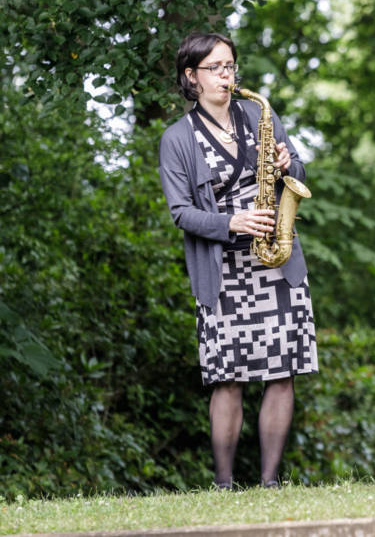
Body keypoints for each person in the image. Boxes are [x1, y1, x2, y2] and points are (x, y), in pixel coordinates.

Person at [159, 31, 318, 489]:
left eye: (230, 67)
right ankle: (225, 484)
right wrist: (232, 222)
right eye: (216, 68)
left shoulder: (258, 113)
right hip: (223, 270)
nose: (227, 76)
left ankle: (269, 482)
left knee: (282, 372)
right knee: (227, 379)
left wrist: (290, 165)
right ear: (191, 77)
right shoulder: (177, 138)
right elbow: (181, 212)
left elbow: (300, 175)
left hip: (276, 261)